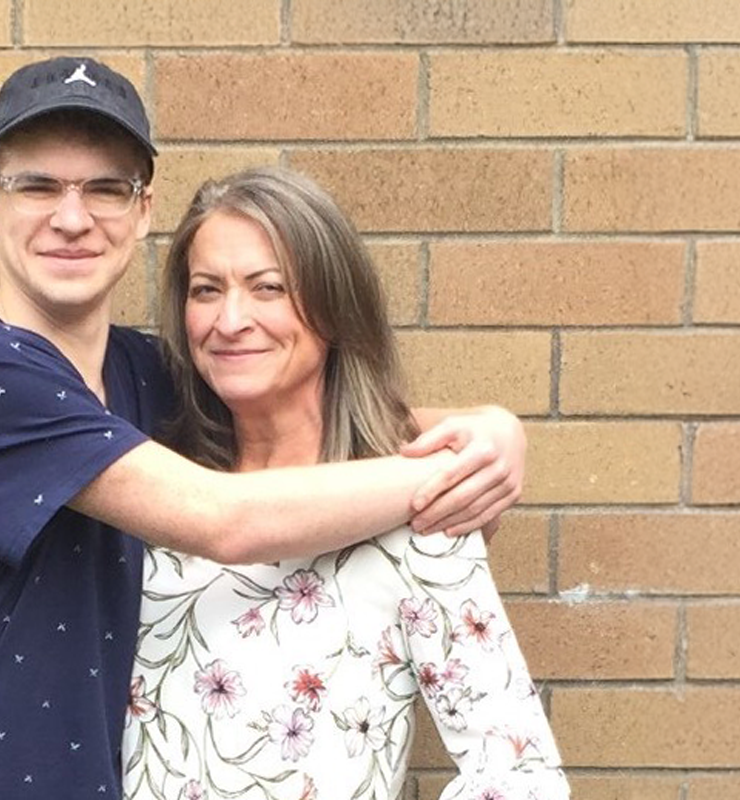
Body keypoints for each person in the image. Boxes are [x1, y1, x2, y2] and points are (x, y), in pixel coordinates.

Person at [0, 58, 528, 799]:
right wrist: (446, 471)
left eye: (105, 188)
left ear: (143, 208)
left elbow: (299, 409)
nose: (73, 217)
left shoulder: (141, 376)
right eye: (37, 185)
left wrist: (491, 429)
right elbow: (220, 519)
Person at [122, 166, 566, 799]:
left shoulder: (420, 509)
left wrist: (496, 427)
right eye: (205, 290)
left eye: (268, 287)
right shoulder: (155, 493)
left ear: (334, 305)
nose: (231, 319)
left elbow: (520, 777)